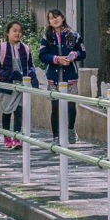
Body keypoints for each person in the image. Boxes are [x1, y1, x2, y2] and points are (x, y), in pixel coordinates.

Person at [38, 8, 86, 144]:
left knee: (71, 106)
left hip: (70, 75)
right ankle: (56, 136)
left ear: (62, 17)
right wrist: (56, 59)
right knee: (55, 107)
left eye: (57, 16)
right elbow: (42, 55)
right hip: (53, 76)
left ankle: (71, 128)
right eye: (51, 18)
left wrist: (73, 56)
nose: (55, 19)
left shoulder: (73, 34)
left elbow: (82, 52)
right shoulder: (46, 36)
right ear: (49, 21)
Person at [0, 20, 39, 149]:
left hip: (21, 85)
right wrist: (8, 74)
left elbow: (30, 66)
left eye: (19, 31)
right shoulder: (1, 48)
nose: (17, 33)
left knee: (19, 111)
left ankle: (17, 138)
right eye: (14, 31)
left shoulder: (25, 48)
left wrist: (32, 79)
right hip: (6, 85)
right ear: (8, 33)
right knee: (6, 111)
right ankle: (7, 137)